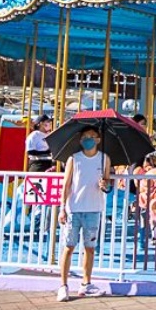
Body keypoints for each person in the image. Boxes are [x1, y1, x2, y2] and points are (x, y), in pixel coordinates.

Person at [56, 126, 112, 301]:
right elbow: (66, 184)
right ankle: (63, 285)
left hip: (93, 208)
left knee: (90, 248)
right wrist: (62, 207)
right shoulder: (74, 159)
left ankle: (86, 284)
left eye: (92, 136)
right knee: (69, 246)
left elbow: (107, 182)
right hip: (74, 208)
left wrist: (105, 185)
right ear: (81, 140)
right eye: (85, 137)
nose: (88, 139)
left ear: (98, 139)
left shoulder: (104, 159)